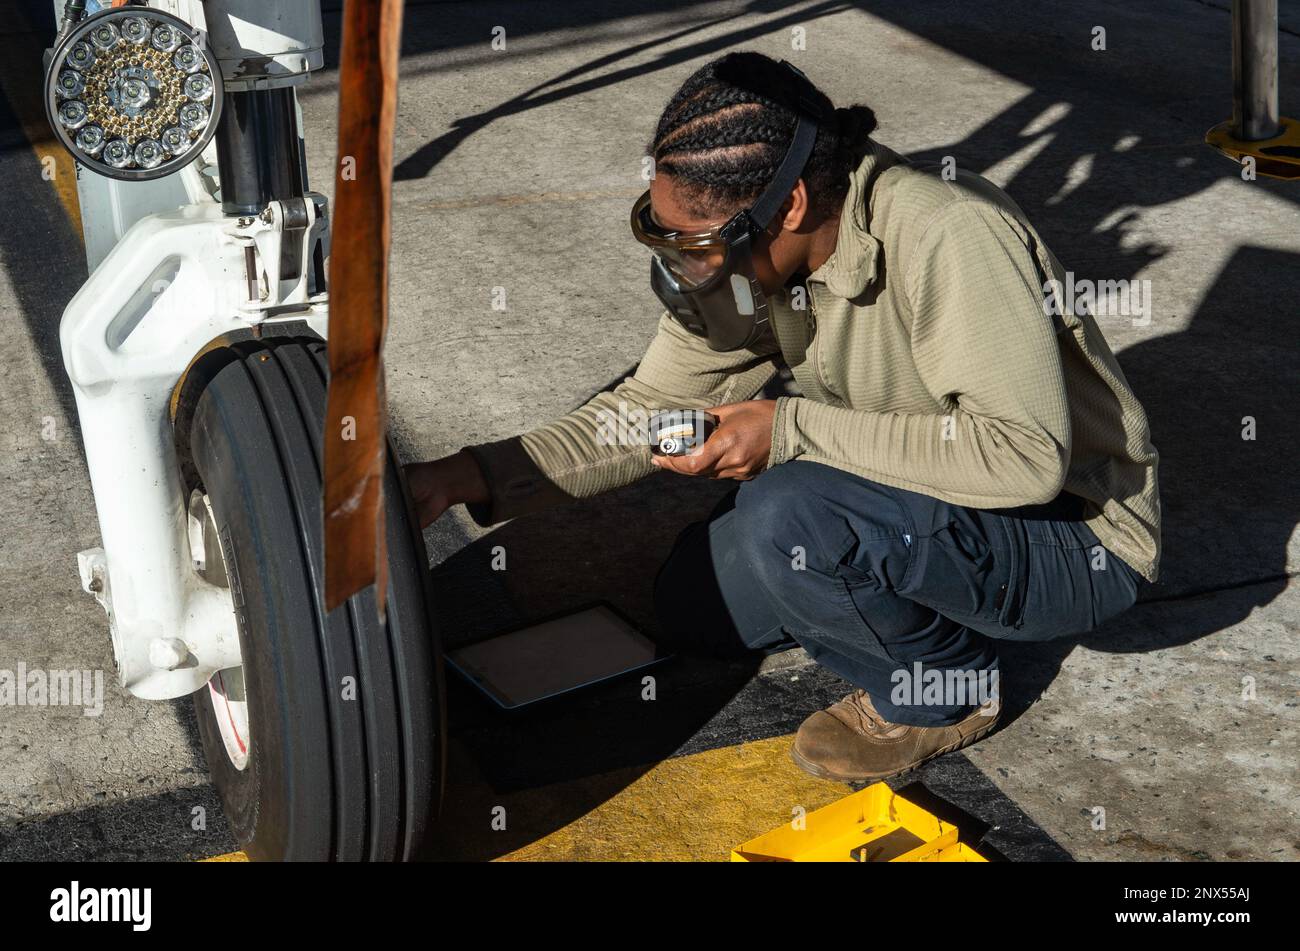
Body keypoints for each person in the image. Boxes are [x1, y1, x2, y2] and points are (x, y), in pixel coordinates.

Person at [404, 51, 1160, 782]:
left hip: (1070, 534)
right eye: (672, 242)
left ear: (789, 203)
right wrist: (468, 474)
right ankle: (865, 562)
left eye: (699, 247)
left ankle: (944, 688)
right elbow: (647, 405)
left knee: (789, 514)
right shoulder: (766, 253)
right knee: (695, 610)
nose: (691, 270)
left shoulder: (949, 233)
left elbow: (1022, 456)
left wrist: (791, 432)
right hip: (916, 481)